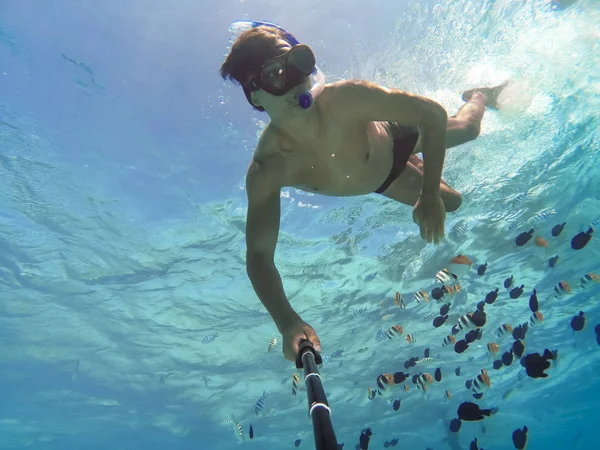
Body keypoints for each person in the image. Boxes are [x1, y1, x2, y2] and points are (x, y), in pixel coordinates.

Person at [220, 22, 508, 361]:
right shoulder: (269, 168)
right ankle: (425, 174)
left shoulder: (348, 98)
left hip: (393, 138)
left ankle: (479, 94)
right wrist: (287, 322)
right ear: (255, 94)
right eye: (275, 73)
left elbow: (431, 114)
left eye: (296, 63)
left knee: (469, 129)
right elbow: (258, 256)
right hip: (380, 179)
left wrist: (428, 194)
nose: (296, 79)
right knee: (454, 202)